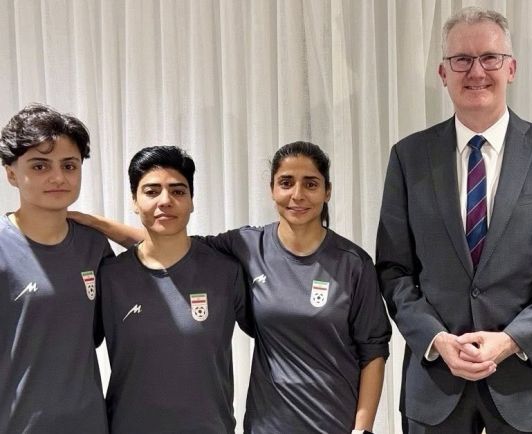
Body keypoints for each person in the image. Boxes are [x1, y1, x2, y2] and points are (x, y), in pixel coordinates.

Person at [376, 6, 532, 433]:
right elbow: (393, 271)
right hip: (436, 387)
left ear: (511, 68)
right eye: (461, 59)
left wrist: (513, 340)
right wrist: (436, 340)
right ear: (443, 73)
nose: (475, 71)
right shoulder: (409, 158)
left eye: (489, 58)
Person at [73, 141, 391, 434]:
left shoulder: (352, 262)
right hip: (267, 424)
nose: (298, 195)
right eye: (286, 183)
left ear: (327, 191)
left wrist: (362, 429)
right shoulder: (247, 246)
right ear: (271, 190)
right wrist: (94, 224)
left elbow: (374, 349)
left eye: (310, 184)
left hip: (335, 419)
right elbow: (168, 241)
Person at [98, 146, 249, 433]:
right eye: (152, 191)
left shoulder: (225, 271)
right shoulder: (110, 276)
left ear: (192, 201)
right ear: (134, 200)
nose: (165, 201)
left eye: (178, 191)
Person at [0, 104, 112, 433]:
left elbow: (165, 256)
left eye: (69, 165)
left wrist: (104, 225)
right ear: (10, 172)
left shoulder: (94, 246)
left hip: (89, 423)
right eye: (40, 165)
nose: (58, 177)